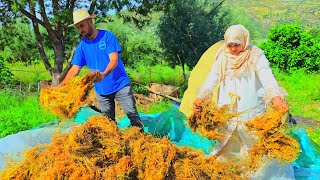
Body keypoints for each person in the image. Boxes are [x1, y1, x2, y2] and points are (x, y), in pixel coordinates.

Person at [193, 25, 294, 178]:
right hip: (228, 112)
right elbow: (211, 80)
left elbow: (268, 79)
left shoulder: (256, 55)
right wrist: (201, 97)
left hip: (251, 110)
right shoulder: (222, 57)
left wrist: (276, 98)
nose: (233, 49)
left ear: (245, 41)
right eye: (230, 45)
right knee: (227, 145)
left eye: (237, 45)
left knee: (257, 147)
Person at [58, 8, 144, 130]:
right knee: (108, 125)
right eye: (78, 27)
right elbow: (74, 70)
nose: (80, 30)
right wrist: (60, 87)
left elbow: (114, 60)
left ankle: (142, 140)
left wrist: (103, 74)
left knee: (133, 115)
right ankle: (116, 146)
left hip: (120, 85)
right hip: (102, 91)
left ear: (90, 21)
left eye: (82, 25)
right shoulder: (82, 46)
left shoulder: (107, 37)